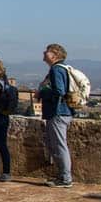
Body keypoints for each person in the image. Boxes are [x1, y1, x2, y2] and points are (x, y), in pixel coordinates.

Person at [37, 43, 74, 188]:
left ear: (54, 55)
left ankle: (65, 178)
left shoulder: (56, 69)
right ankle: (62, 176)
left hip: (57, 112)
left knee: (59, 145)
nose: (44, 53)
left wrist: (42, 93)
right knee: (57, 145)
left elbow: (59, 91)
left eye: (47, 51)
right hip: (63, 111)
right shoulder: (63, 68)